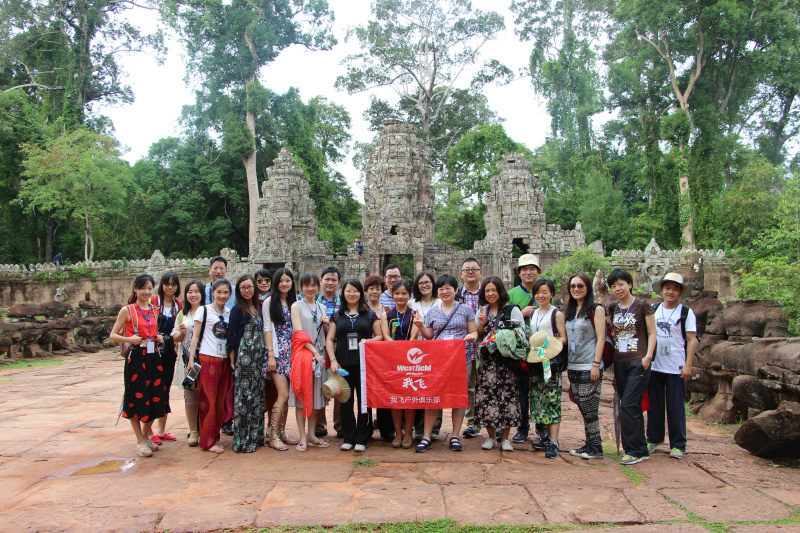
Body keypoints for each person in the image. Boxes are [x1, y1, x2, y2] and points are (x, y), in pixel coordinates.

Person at [412, 274, 478, 453]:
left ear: (456, 290)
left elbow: (473, 331)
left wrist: (471, 336)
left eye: (448, 288)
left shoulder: (465, 309)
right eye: (441, 288)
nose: (444, 291)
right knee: (434, 396)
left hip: (461, 359)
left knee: (459, 397)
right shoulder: (433, 311)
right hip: (439, 361)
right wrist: (420, 326)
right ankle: (427, 436)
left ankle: (455, 435)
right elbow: (429, 335)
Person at [109, 274, 167, 457]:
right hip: (136, 358)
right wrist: (130, 339)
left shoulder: (154, 310)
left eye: (149, 288)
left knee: (156, 396)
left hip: (153, 357)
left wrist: (158, 338)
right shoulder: (127, 310)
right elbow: (113, 335)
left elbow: (153, 331)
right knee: (136, 396)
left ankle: (145, 434)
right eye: (142, 288)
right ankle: (140, 439)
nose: (146, 292)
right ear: (135, 289)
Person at [607, 267, 657, 465]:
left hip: (639, 361)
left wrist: (648, 357)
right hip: (620, 362)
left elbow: (652, 333)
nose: (618, 289)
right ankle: (641, 449)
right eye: (614, 286)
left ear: (629, 284)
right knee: (630, 406)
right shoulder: (613, 307)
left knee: (628, 405)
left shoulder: (643, 305)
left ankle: (632, 450)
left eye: (621, 284)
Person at [327, 279, 383, 452]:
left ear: (361, 293)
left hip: (364, 365)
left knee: (364, 402)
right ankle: (349, 437)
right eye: (348, 291)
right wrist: (333, 360)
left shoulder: (369, 314)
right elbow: (330, 339)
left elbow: (380, 336)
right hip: (343, 364)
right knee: (346, 401)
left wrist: (370, 341)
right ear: (343, 293)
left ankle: (362, 437)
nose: (352, 294)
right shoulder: (337, 315)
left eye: (355, 291)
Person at [647, 273, 697, 459]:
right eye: (667, 288)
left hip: (676, 366)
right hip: (655, 364)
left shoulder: (686, 313)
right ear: (662, 290)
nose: (671, 292)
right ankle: (654, 438)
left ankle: (678, 444)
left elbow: (692, 340)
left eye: (675, 289)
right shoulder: (654, 309)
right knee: (654, 405)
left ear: (680, 292)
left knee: (676, 407)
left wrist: (688, 365)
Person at [474, 276, 524, 452]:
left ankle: (505, 439)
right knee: (488, 399)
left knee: (507, 398)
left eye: (493, 290)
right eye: (487, 290)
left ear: (500, 291)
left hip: (506, 362)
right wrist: (482, 324)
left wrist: (505, 337)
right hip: (487, 363)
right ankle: (491, 437)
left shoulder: (512, 310)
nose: (490, 293)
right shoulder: (482, 311)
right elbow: (478, 335)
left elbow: (522, 333)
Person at [187, 278, 232, 453]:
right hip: (208, 358)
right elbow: (195, 336)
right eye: (219, 292)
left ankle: (215, 437)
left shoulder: (229, 313)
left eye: (226, 292)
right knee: (208, 401)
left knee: (220, 402)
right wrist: (191, 359)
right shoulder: (203, 310)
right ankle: (207, 441)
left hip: (224, 359)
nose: (222, 295)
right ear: (212, 293)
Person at [564, 272, 607, 460]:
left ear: (588, 288)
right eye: (573, 286)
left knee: (590, 408)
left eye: (580, 286)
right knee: (582, 406)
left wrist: (596, 364)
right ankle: (590, 443)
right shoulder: (570, 311)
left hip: (590, 364)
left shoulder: (596, 309)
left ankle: (596, 446)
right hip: (573, 364)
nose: (576, 289)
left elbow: (601, 338)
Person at [290, 272, 330, 451]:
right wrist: (314, 353)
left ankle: (312, 434)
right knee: (302, 396)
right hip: (304, 354)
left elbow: (324, 333)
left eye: (313, 285)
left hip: (319, 354)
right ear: (301, 287)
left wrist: (326, 325)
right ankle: (302, 436)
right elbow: (299, 334)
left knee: (315, 397)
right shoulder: (296, 306)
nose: (310, 289)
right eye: (307, 285)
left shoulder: (322, 307)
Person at [528, 278, 567, 459]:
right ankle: (545, 437)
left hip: (550, 361)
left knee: (552, 401)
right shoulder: (533, 313)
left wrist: (549, 345)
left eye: (544, 292)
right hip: (536, 360)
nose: (540, 295)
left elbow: (563, 338)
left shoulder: (556, 313)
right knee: (539, 401)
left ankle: (554, 441)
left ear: (552, 294)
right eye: (537, 292)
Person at [507, 254, 544, 444]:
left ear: (538, 271)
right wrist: (522, 314)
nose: (528, 272)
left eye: (532, 269)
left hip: (542, 348)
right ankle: (522, 426)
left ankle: (542, 425)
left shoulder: (544, 291)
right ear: (519, 273)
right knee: (521, 389)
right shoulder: (512, 294)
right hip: (521, 349)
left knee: (541, 388)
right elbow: (505, 323)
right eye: (524, 269)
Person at [227, 275, 266, 453]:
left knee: (257, 398)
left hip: (257, 359)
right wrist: (233, 360)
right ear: (238, 290)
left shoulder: (258, 307)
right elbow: (232, 336)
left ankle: (256, 437)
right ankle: (243, 440)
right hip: (244, 359)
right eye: (243, 288)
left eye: (249, 287)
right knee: (244, 399)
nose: (247, 290)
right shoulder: (237, 310)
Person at [262, 268, 300, 450]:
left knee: (287, 396)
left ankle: (282, 431)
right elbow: (267, 329)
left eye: (288, 280)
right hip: (277, 354)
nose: (284, 284)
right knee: (282, 394)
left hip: (292, 353)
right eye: (281, 281)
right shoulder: (269, 302)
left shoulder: (295, 302)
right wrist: (271, 355)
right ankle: (273, 435)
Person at [380, 280, 419, 449]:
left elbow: (414, 338)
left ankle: (408, 432)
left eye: (404, 293)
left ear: (409, 295)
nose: (400, 296)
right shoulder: (386, 315)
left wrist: (404, 351)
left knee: (409, 398)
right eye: (397, 293)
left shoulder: (415, 314)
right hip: (392, 360)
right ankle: (398, 433)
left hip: (410, 361)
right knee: (395, 399)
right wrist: (397, 350)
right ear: (392, 295)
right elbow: (386, 336)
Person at [171, 279, 205, 447]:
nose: (193, 295)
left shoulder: (208, 311)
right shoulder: (182, 314)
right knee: (190, 395)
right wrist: (181, 333)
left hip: (205, 357)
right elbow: (175, 337)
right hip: (188, 360)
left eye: (196, 291)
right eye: (190, 292)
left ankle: (205, 428)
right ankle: (193, 430)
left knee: (206, 394)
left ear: (202, 294)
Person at [205, 256, 235, 436]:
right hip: (207, 349)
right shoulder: (202, 290)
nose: (218, 271)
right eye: (215, 268)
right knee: (207, 390)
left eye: (221, 268)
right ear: (209, 270)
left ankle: (226, 421)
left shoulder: (233, 291)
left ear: (226, 270)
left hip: (226, 347)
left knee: (227, 388)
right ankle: (204, 426)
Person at [150, 272, 182, 444]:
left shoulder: (178, 305)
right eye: (167, 284)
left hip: (169, 351)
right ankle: (148, 430)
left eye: (173, 284)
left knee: (165, 389)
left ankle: (161, 430)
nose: (170, 287)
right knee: (152, 388)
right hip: (152, 350)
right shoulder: (154, 302)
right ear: (161, 285)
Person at [455, 258, 482, 439]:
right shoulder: (457, 295)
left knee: (488, 385)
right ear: (461, 274)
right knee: (469, 387)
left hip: (486, 347)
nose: (470, 272)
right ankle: (472, 422)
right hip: (465, 348)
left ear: (480, 272)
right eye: (467, 270)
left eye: (474, 269)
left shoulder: (488, 292)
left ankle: (493, 423)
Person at [315, 266, 342, 438]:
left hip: (339, 346)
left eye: (334, 280)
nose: (330, 283)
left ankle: (340, 425)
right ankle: (319, 426)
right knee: (319, 384)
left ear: (339, 283)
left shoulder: (344, 303)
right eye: (327, 279)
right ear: (321, 281)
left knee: (339, 384)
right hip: (318, 347)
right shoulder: (312, 302)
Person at [255, 268, 278, 433]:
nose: (263, 283)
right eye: (260, 281)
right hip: (256, 349)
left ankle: (272, 424)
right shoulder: (252, 301)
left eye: (267, 280)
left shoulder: (275, 300)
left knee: (273, 389)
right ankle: (259, 425)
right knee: (258, 389)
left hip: (272, 347)